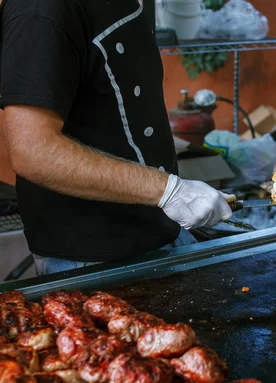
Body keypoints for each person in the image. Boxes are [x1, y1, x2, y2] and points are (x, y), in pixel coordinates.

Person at [0, 0, 234, 275]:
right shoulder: (41, 10)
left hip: (159, 232)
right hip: (92, 258)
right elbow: (33, 151)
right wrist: (169, 191)